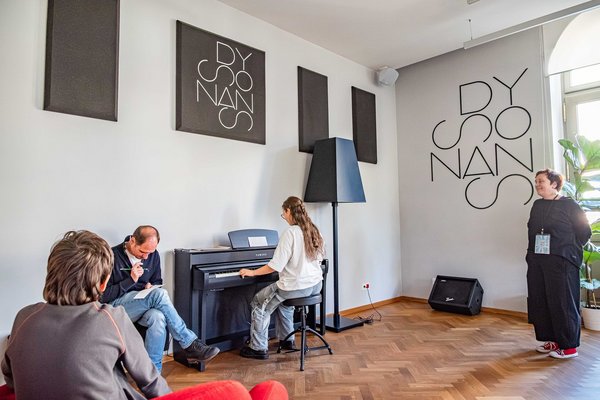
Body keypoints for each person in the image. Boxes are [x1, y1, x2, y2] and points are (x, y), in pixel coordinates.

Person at [1, 230, 171, 399]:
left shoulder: (23, 317)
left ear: (51, 272)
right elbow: (152, 383)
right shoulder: (112, 318)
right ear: (103, 283)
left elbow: (11, 379)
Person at [101, 225, 219, 372]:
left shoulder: (153, 255)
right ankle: (189, 344)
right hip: (116, 309)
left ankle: (153, 374)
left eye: (150, 253)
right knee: (160, 295)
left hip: (142, 305)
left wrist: (151, 286)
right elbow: (103, 296)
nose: (146, 257)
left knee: (158, 317)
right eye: (143, 252)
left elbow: (157, 281)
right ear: (132, 241)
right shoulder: (111, 256)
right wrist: (130, 280)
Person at [239, 196, 325, 359]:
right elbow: (318, 259)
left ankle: (258, 348)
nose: (284, 217)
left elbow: (275, 266)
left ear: (288, 211)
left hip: (297, 286)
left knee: (258, 302)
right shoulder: (314, 230)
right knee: (284, 304)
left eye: (283, 213)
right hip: (315, 285)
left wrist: (252, 272)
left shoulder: (290, 233)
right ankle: (287, 340)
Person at [526, 168, 591, 359]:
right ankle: (553, 340)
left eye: (541, 181)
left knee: (563, 302)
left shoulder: (570, 205)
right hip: (538, 260)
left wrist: (567, 249)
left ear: (554, 184)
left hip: (562, 260)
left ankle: (569, 347)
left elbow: (584, 232)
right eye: (536, 181)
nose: (537, 184)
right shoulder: (537, 204)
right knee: (541, 300)